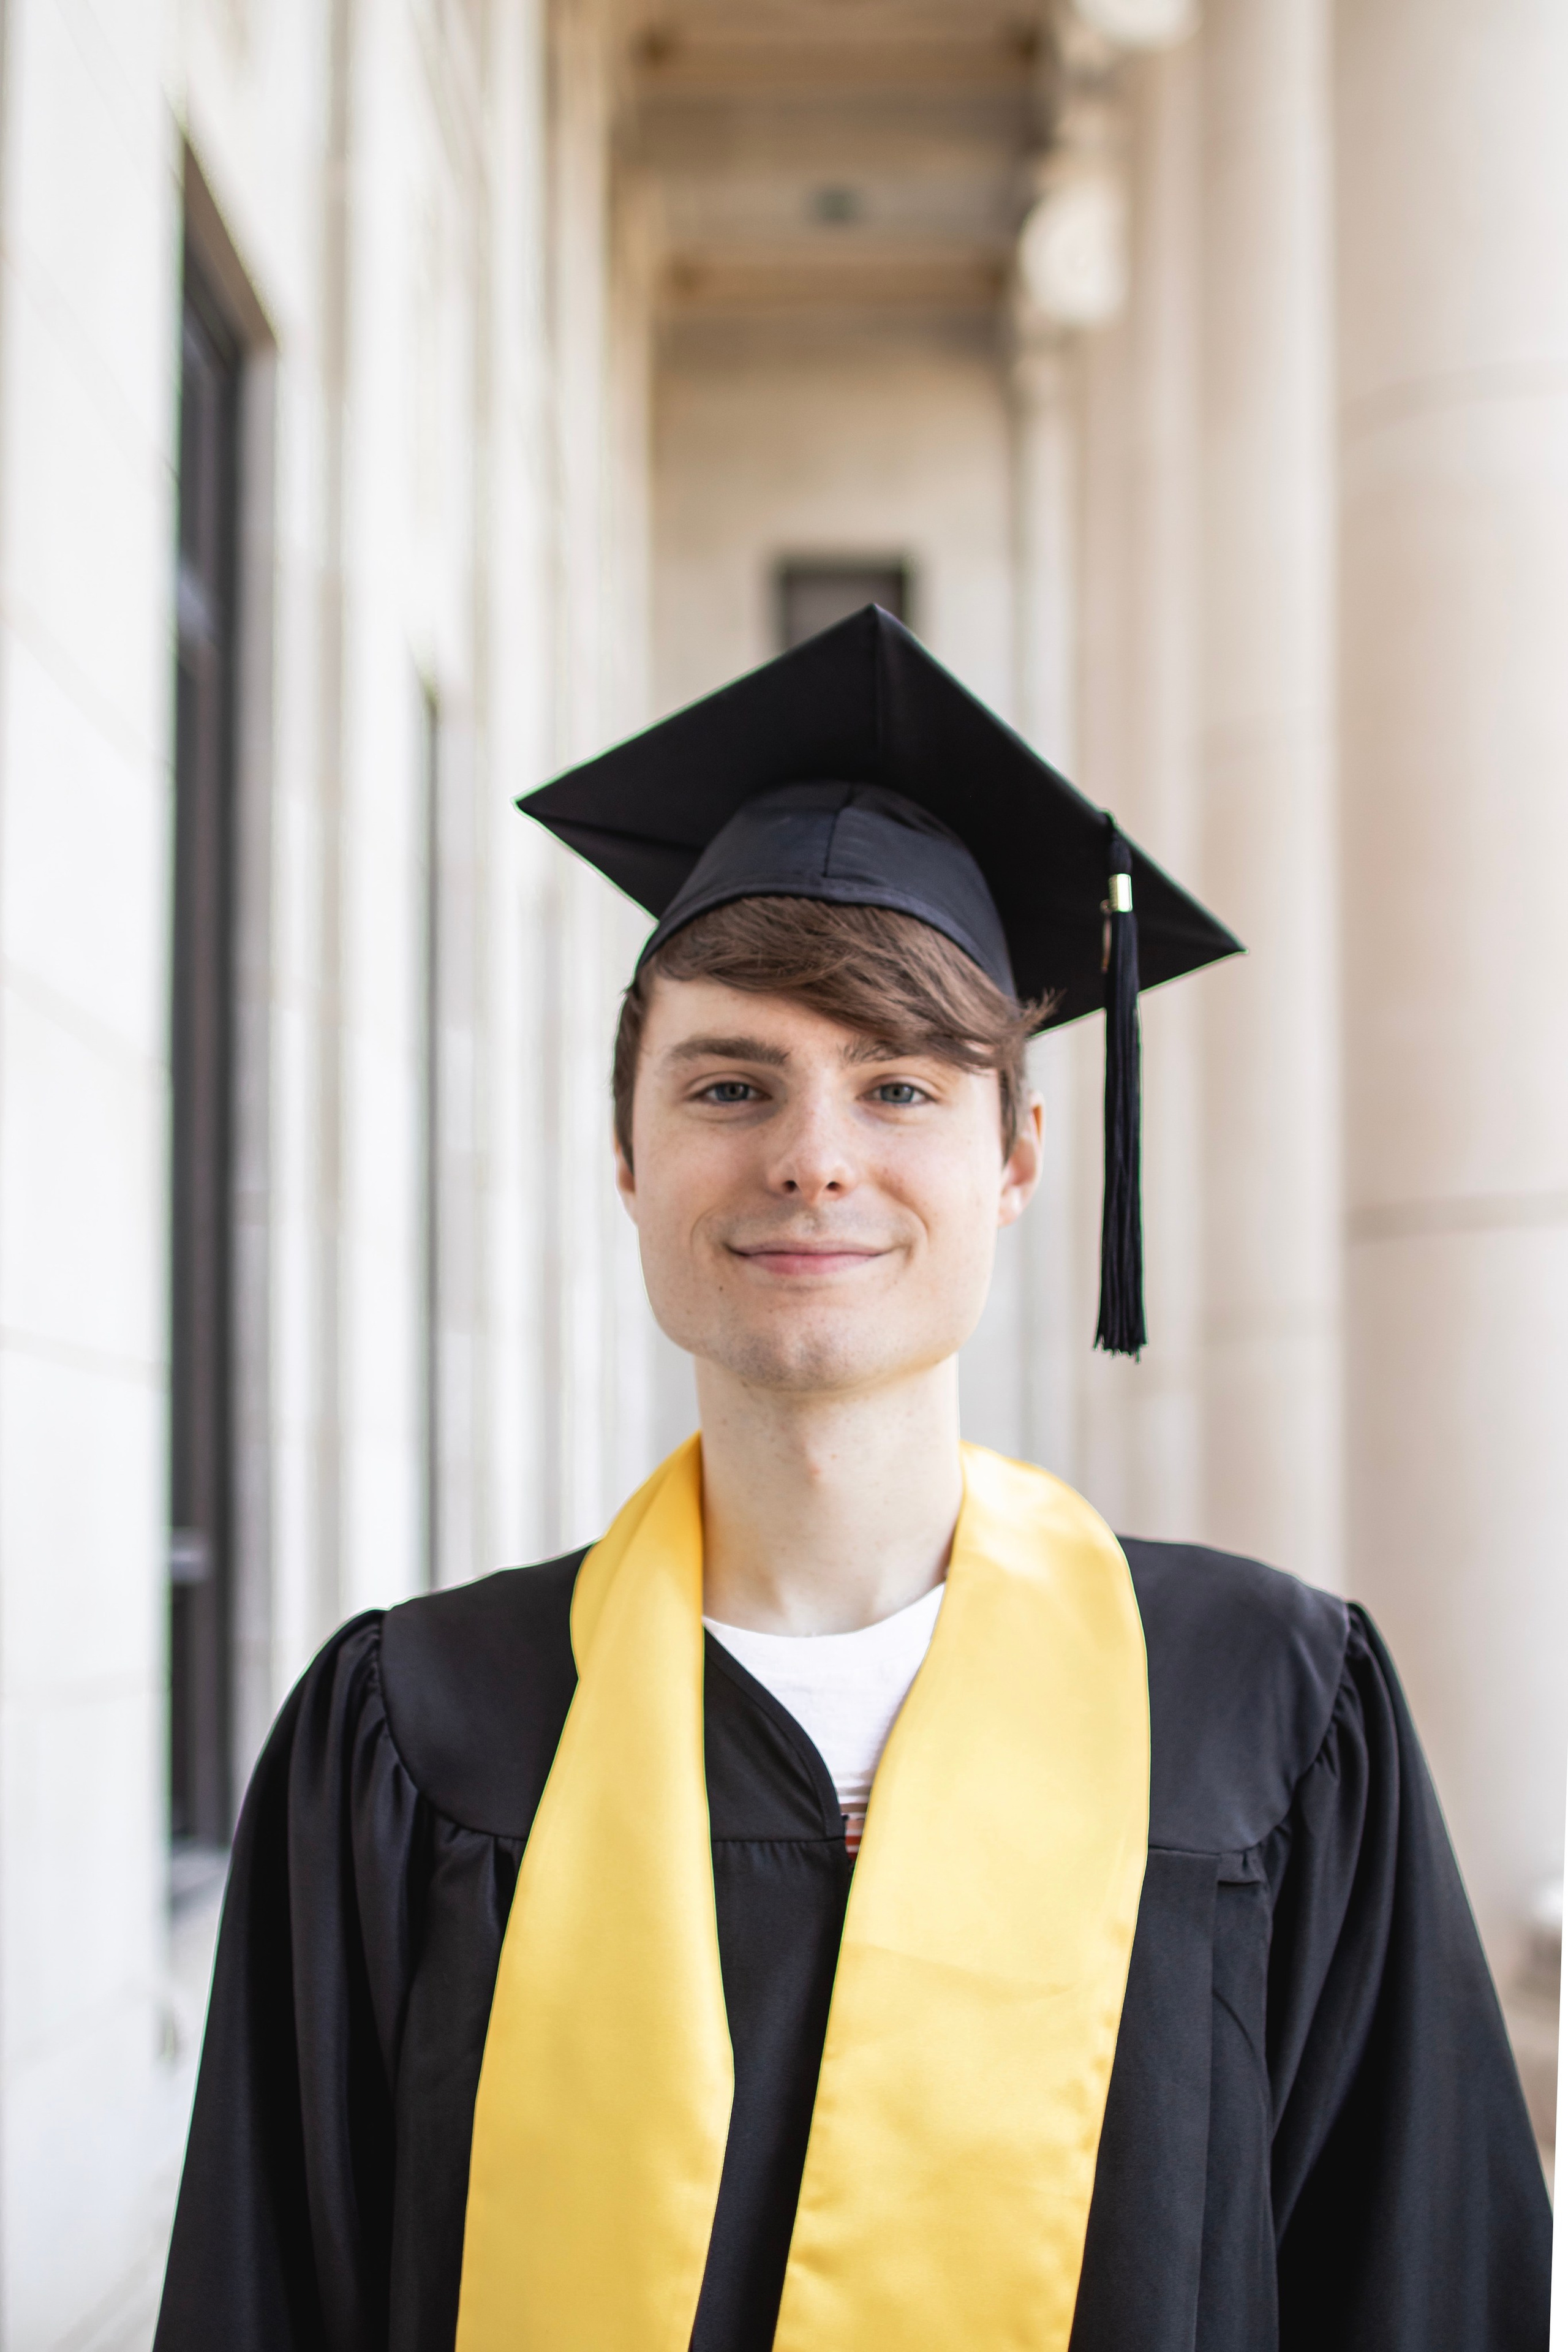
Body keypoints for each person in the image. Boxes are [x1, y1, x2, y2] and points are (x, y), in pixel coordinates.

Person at [155, 609, 1550, 2352]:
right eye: (732, 1083)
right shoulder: (415, 1740)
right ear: (626, 1149)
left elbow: (1426, 2299)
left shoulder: (1267, 1722)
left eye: (899, 1086)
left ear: (1022, 1157)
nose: (813, 1159)